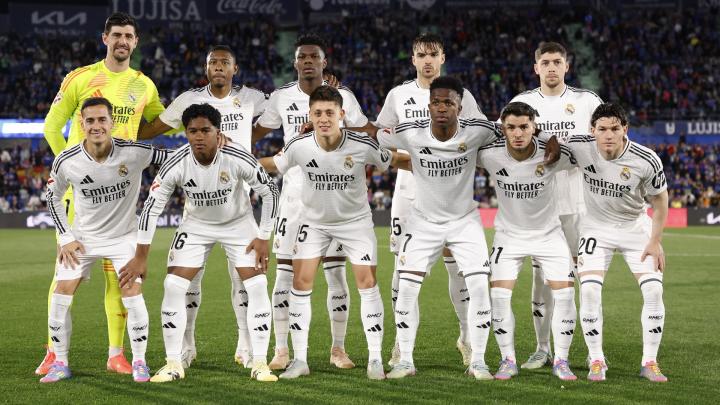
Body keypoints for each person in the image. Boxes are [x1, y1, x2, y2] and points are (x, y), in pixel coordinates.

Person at [37, 12, 165, 375]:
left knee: (118, 277)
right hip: (81, 197)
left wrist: (194, 120)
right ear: (105, 38)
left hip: (121, 191)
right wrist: (73, 172)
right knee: (66, 274)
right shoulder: (80, 78)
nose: (122, 41)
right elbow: (51, 128)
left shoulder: (144, 85)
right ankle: (53, 352)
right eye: (116, 35)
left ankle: (117, 354)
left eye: (129, 36)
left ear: (135, 42)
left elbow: (161, 123)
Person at [120, 103, 279, 383]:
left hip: (238, 223)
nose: (199, 136)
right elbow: (151, 209)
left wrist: (264, 236)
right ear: (186, 134)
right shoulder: (177, 162)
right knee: (173, 285)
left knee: (256, 285)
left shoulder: (237, 156)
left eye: (206, 130)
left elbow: (270, 192)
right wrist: (141, 256)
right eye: (192, 131)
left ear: (218, 132)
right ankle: (173, 362)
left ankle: (259, 363)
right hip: (196, 225)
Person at [258, 85, 409, 380]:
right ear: (310, 115)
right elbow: (272, 165)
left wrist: (434, 171)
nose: (324, 118)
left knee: (367, 283)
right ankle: (300, 360)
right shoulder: (299, 145)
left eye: (329, 112)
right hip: (313, 224)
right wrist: (236, 164)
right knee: (300, 283)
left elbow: (397, 160)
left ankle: (375, 359)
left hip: (355, 224)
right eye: (318, 113)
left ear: (341, 114)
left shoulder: (361, 144)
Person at [138, 44, 269, 369]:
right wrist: (117, 133)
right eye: (213, 63)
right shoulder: (188, 100)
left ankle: (245, 344)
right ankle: (186, 346)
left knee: (243, 280)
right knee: (189, 280)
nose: (219, 67)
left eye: (225, 62)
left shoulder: (252, 98)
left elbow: (287, 106)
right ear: (206, 68)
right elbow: (154, 129)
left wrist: (325, 87)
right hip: (198, 204)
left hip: (238, 202)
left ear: (235, 69)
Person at [252, 34, 369, 370]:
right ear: (295, 62)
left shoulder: (343, 96)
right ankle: (281, 350)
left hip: (332, 198)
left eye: (313, 57)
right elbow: (256, 133)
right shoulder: (281, 97)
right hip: (293, 200)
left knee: (336, 275)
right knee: (284, 277)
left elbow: (364, 133)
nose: (307, 61)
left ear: (323, 62)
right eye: (302, 57)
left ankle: (338, 349)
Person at [372, 33, 488, 367]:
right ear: (413, 60)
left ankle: (466, 337)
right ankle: (401, 344)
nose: (427, 60)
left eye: (433, 54)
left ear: (442, 58)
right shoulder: (399, 95)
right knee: (402, 269)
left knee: (458, 269)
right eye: (421, 55)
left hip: (450, 192)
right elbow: (379, 137)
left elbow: (480, 134)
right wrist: (410, 160)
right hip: (409, 192)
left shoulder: (462, 95)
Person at [507, 42, 603, 369]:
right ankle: (542, 348)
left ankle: (593, 350)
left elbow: (603, 143)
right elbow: (509, 147)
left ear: (566, 66)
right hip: (540, 206)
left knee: (587, 280)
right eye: (545, 62)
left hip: (580, 205)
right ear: (536, 67)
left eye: (557, 62)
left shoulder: (587, 101)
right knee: (541, 280)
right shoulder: (522, 103)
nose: (551, 67)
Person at [565, 103, 669, 382]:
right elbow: (547, 146)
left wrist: (655, 241)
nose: (608, 135)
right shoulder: (579, 146)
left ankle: (650, 362)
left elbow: (660, 201)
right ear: (592, 130)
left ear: (625, 129)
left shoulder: (646, 159)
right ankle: (596, 359)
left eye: (614, 128)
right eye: (602, 129)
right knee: (589, 291)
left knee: (654, 291)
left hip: (636, 228)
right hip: (595, 229)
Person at [477, 102, 578, 381]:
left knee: (565, 296)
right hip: (508, 237)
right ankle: (508, 359)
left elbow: (585, 154)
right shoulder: (489, 154)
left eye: (524, 126)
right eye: (511, 127)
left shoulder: (552, 153)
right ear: (503, 129)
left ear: (534, 126)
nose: (518, 133)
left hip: (549, 235)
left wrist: (549, 137)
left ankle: (561, 360)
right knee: (499, 298)